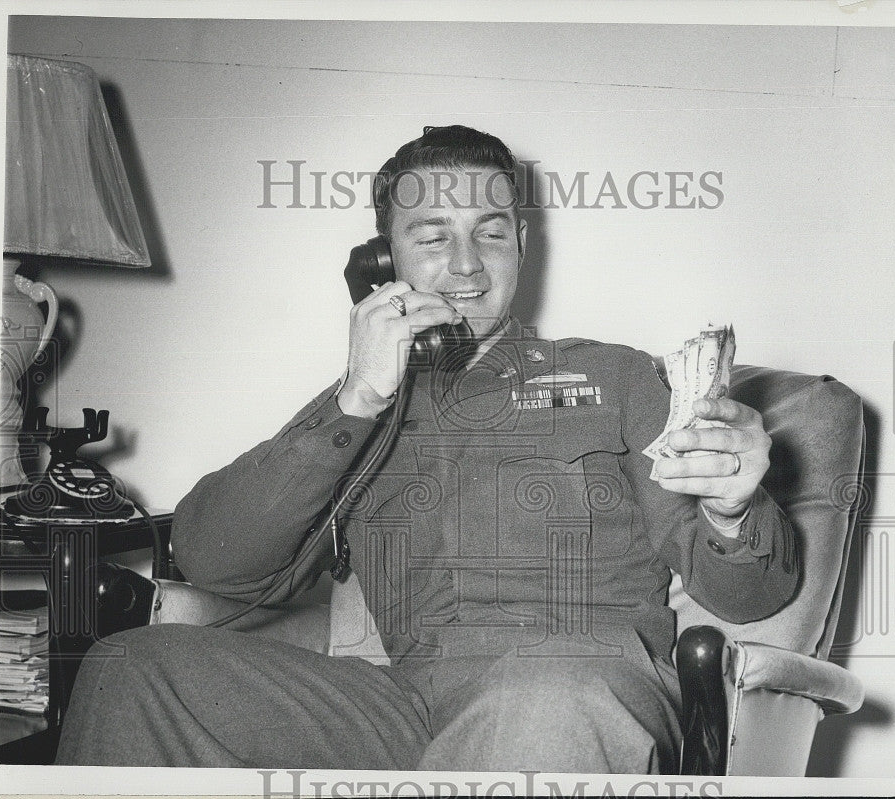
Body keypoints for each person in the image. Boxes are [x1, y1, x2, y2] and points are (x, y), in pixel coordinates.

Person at [56, 125, 798, 773]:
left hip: (583, 680)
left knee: (543, 701)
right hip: (410, 706)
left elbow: (750, 592)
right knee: (134, 664)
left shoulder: (617, 377)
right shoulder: (362, 405)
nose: (469, 264)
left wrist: (736, 508)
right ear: (384, 261)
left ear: (523, 244)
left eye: (492, 231)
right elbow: (215, 556)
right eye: (434, 235)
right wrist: (356, 400)